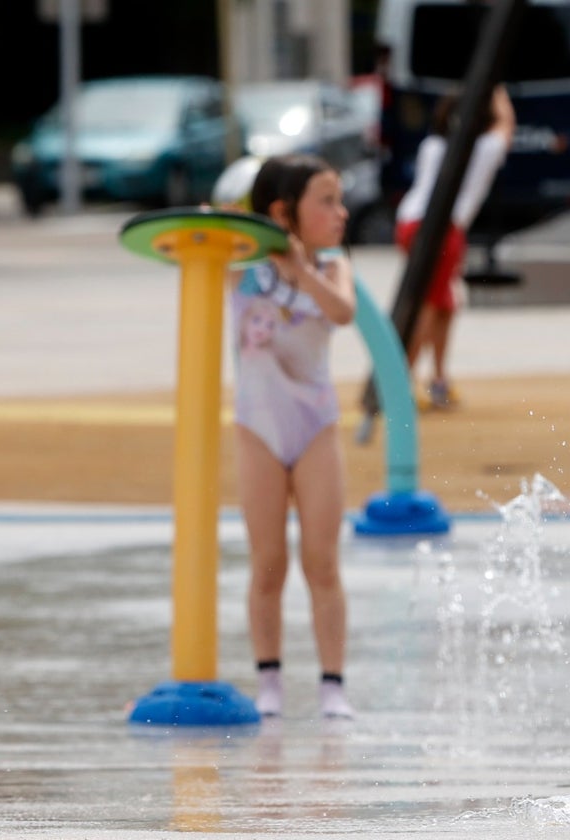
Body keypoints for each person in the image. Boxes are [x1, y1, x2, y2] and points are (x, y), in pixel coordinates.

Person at [228, 153, 358, 719]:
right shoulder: (238, 264)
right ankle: (270, 682)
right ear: (284, 210)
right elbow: (209, 222)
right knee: (268, 563)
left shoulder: (332, 266)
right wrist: (265, 240)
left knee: (321, 561)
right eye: (326, 200)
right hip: (258, 429)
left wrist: (298, 267)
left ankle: (332, 685)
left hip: (315, 429)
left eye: (339, 199)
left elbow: (344, 312)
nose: (341, 212)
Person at [394, 84, 515, 408]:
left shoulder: (433, 144)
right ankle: (399, 384)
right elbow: (506, 125)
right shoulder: (484, 147)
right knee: (430, 306)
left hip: (411, 221)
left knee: (444, 303)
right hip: (440, 228)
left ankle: (438, 380)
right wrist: (498, 91)